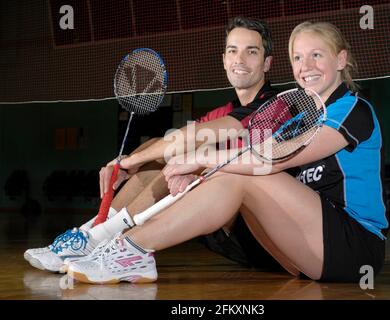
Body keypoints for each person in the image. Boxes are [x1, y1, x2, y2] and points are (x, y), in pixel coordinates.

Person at [67, 21, 388, 284]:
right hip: (302, 249)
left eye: (317, 55)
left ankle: (131, 248)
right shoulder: (301, 117)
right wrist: (198, 172)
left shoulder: (353, 109)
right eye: (298, 58)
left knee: (242, 175)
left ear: (341, 60)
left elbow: (276, 158)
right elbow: (251, 153)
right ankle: (116, 242)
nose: (306, 67)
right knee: (231, 172)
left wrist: (200, 160)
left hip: (355, 247)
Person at [24, 16, 280, 273]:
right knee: (162, 151)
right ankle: (93, 231)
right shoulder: (224, 110)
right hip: (225, 229)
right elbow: (170, 143)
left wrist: (131, 162)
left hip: (261, 235)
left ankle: (99, 237)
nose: (240, 59)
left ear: (267, 62)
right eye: (233, 51)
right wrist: (132, 159)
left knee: (184, 156)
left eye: (252, 51)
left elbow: (194, 138)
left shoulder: (274, 105)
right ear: (224, 59)